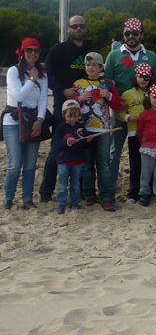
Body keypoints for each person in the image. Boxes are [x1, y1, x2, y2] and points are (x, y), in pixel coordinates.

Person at [39, 15, 95, 203]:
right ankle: (46, 192)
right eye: (75, 26)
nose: (79, 29)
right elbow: (48, 76)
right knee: (58, 148)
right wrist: (63, 90)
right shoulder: (58, 50)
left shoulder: (90, 50)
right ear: (69, 29)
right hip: (62, 107)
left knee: (80, 148)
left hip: (85, 108)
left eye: (82, 26)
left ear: (86, 29)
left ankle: (78, 192)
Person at [104, 18, 156, 196]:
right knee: (115, 151)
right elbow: (106, 82)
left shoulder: (151, 56)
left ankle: (141, 188)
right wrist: (114, 100)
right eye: (127, 33)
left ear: (141, 35)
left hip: (146, 115)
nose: (131, 36)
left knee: (145, 152)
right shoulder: (114, 55)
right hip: (120, 112)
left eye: (134, 33)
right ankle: (109, 188)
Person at [2, 38, 48, 210]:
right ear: (22, 52)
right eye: (29, 50)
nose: (33, 54)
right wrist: (31, 79)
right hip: (13, 121)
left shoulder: (42, 74)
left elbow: (43, 99)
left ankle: (27, 199)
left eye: (36, 50)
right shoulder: (14, 72)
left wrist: (40, 120)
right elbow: (19, 96)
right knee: (15, 163)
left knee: (30, 163)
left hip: (33, 120)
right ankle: (8, 197)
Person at [75, 52, 121, 212]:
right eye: (88, 65)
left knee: (104, 164)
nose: (90, 68)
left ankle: (106, 195)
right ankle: (88, 194)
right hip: (85, 130)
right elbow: (70, 107)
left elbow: (116, 105)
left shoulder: (108, 83)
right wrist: (79, 99)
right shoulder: (78, 83)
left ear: (101, 67)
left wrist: (108, 95)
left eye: (94, 65)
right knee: (87, 165)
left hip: (103, 131)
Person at [116, 63, 153, 204]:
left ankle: (149, 191)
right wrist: (128, 118)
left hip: (151, 135)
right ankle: (133, 193)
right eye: (140, 76)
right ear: (135, 77)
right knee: (135, 164)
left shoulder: (154, 93)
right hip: (134, 134)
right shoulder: (127, 94)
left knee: (150, 165)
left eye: (146, 77)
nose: (143, 79)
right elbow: (120, 113)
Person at [52, 100, 92, 214]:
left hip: (77, 161)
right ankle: (61, 203)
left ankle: (74, 203)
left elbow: (84, 145)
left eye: (75, 116)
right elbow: (56, 144)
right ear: (64, 115)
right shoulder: (61, 128)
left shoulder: (81, 127)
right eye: (69, 116)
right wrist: (67, 142)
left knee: (75, 184)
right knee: (62, 184)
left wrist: (88, 140)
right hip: (64, 161)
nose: (72, 119)